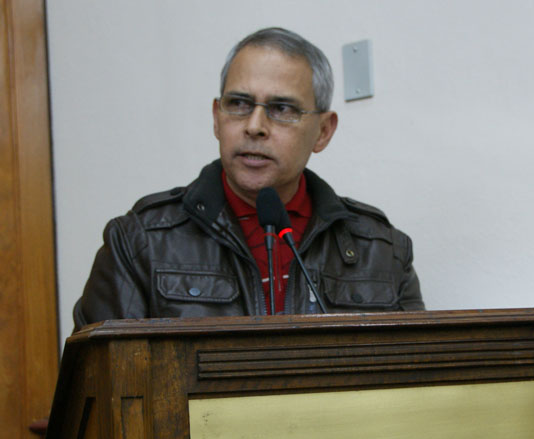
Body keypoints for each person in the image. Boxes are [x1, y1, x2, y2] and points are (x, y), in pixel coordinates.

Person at [73, 27, 423, 330]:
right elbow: (103, 392)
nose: (254, 126)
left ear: (323, 131)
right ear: (216, 117)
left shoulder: (380, 251)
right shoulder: (139, 243)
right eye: (239, 104)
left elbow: (416, 387)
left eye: (282, 109)